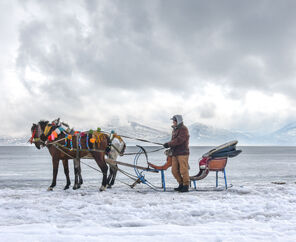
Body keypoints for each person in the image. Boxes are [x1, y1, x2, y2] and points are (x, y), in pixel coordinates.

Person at [163, 115, 190, 192]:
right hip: (175, 153)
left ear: (178, 121)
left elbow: (179, 140)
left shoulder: (184, 129)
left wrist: (168, 144)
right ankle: (181, 184)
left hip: (183, 153)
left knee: (183, 170)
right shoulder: (174, 130)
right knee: (174, 171)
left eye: (174, 121)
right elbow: (174, 141)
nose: (173, 122)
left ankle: (186, 185)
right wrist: (169, 146)